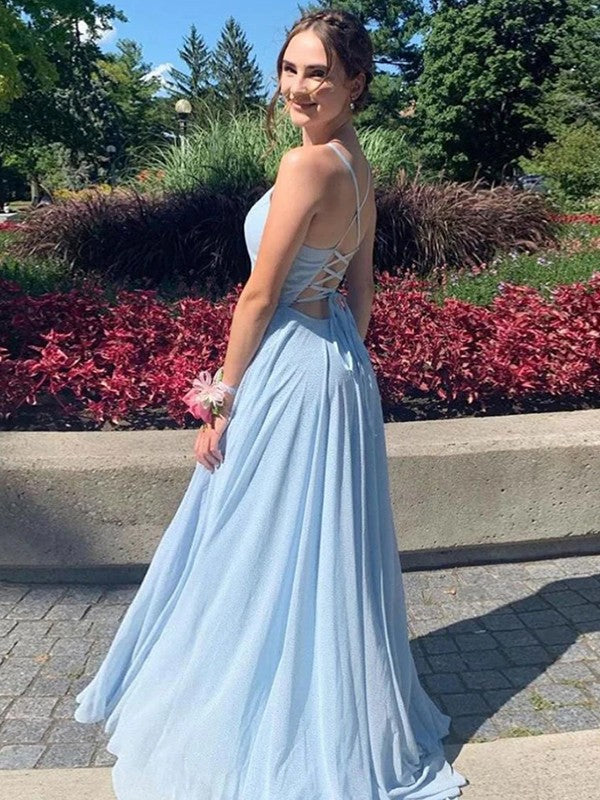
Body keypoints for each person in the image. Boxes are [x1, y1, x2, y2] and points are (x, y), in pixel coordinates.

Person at [73, 9, 468, 800]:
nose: (298, 87)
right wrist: (339, 360)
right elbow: (360, 291)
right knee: (314, 541)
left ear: (356, 83)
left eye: (319, 72)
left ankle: (257, 714)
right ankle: (319, 694)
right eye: (290, 69)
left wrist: (220, 399)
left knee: (252, 536)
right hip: (337, 366)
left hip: (290, 366)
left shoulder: (307, 164)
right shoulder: (357, 164)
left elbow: (257, 296)